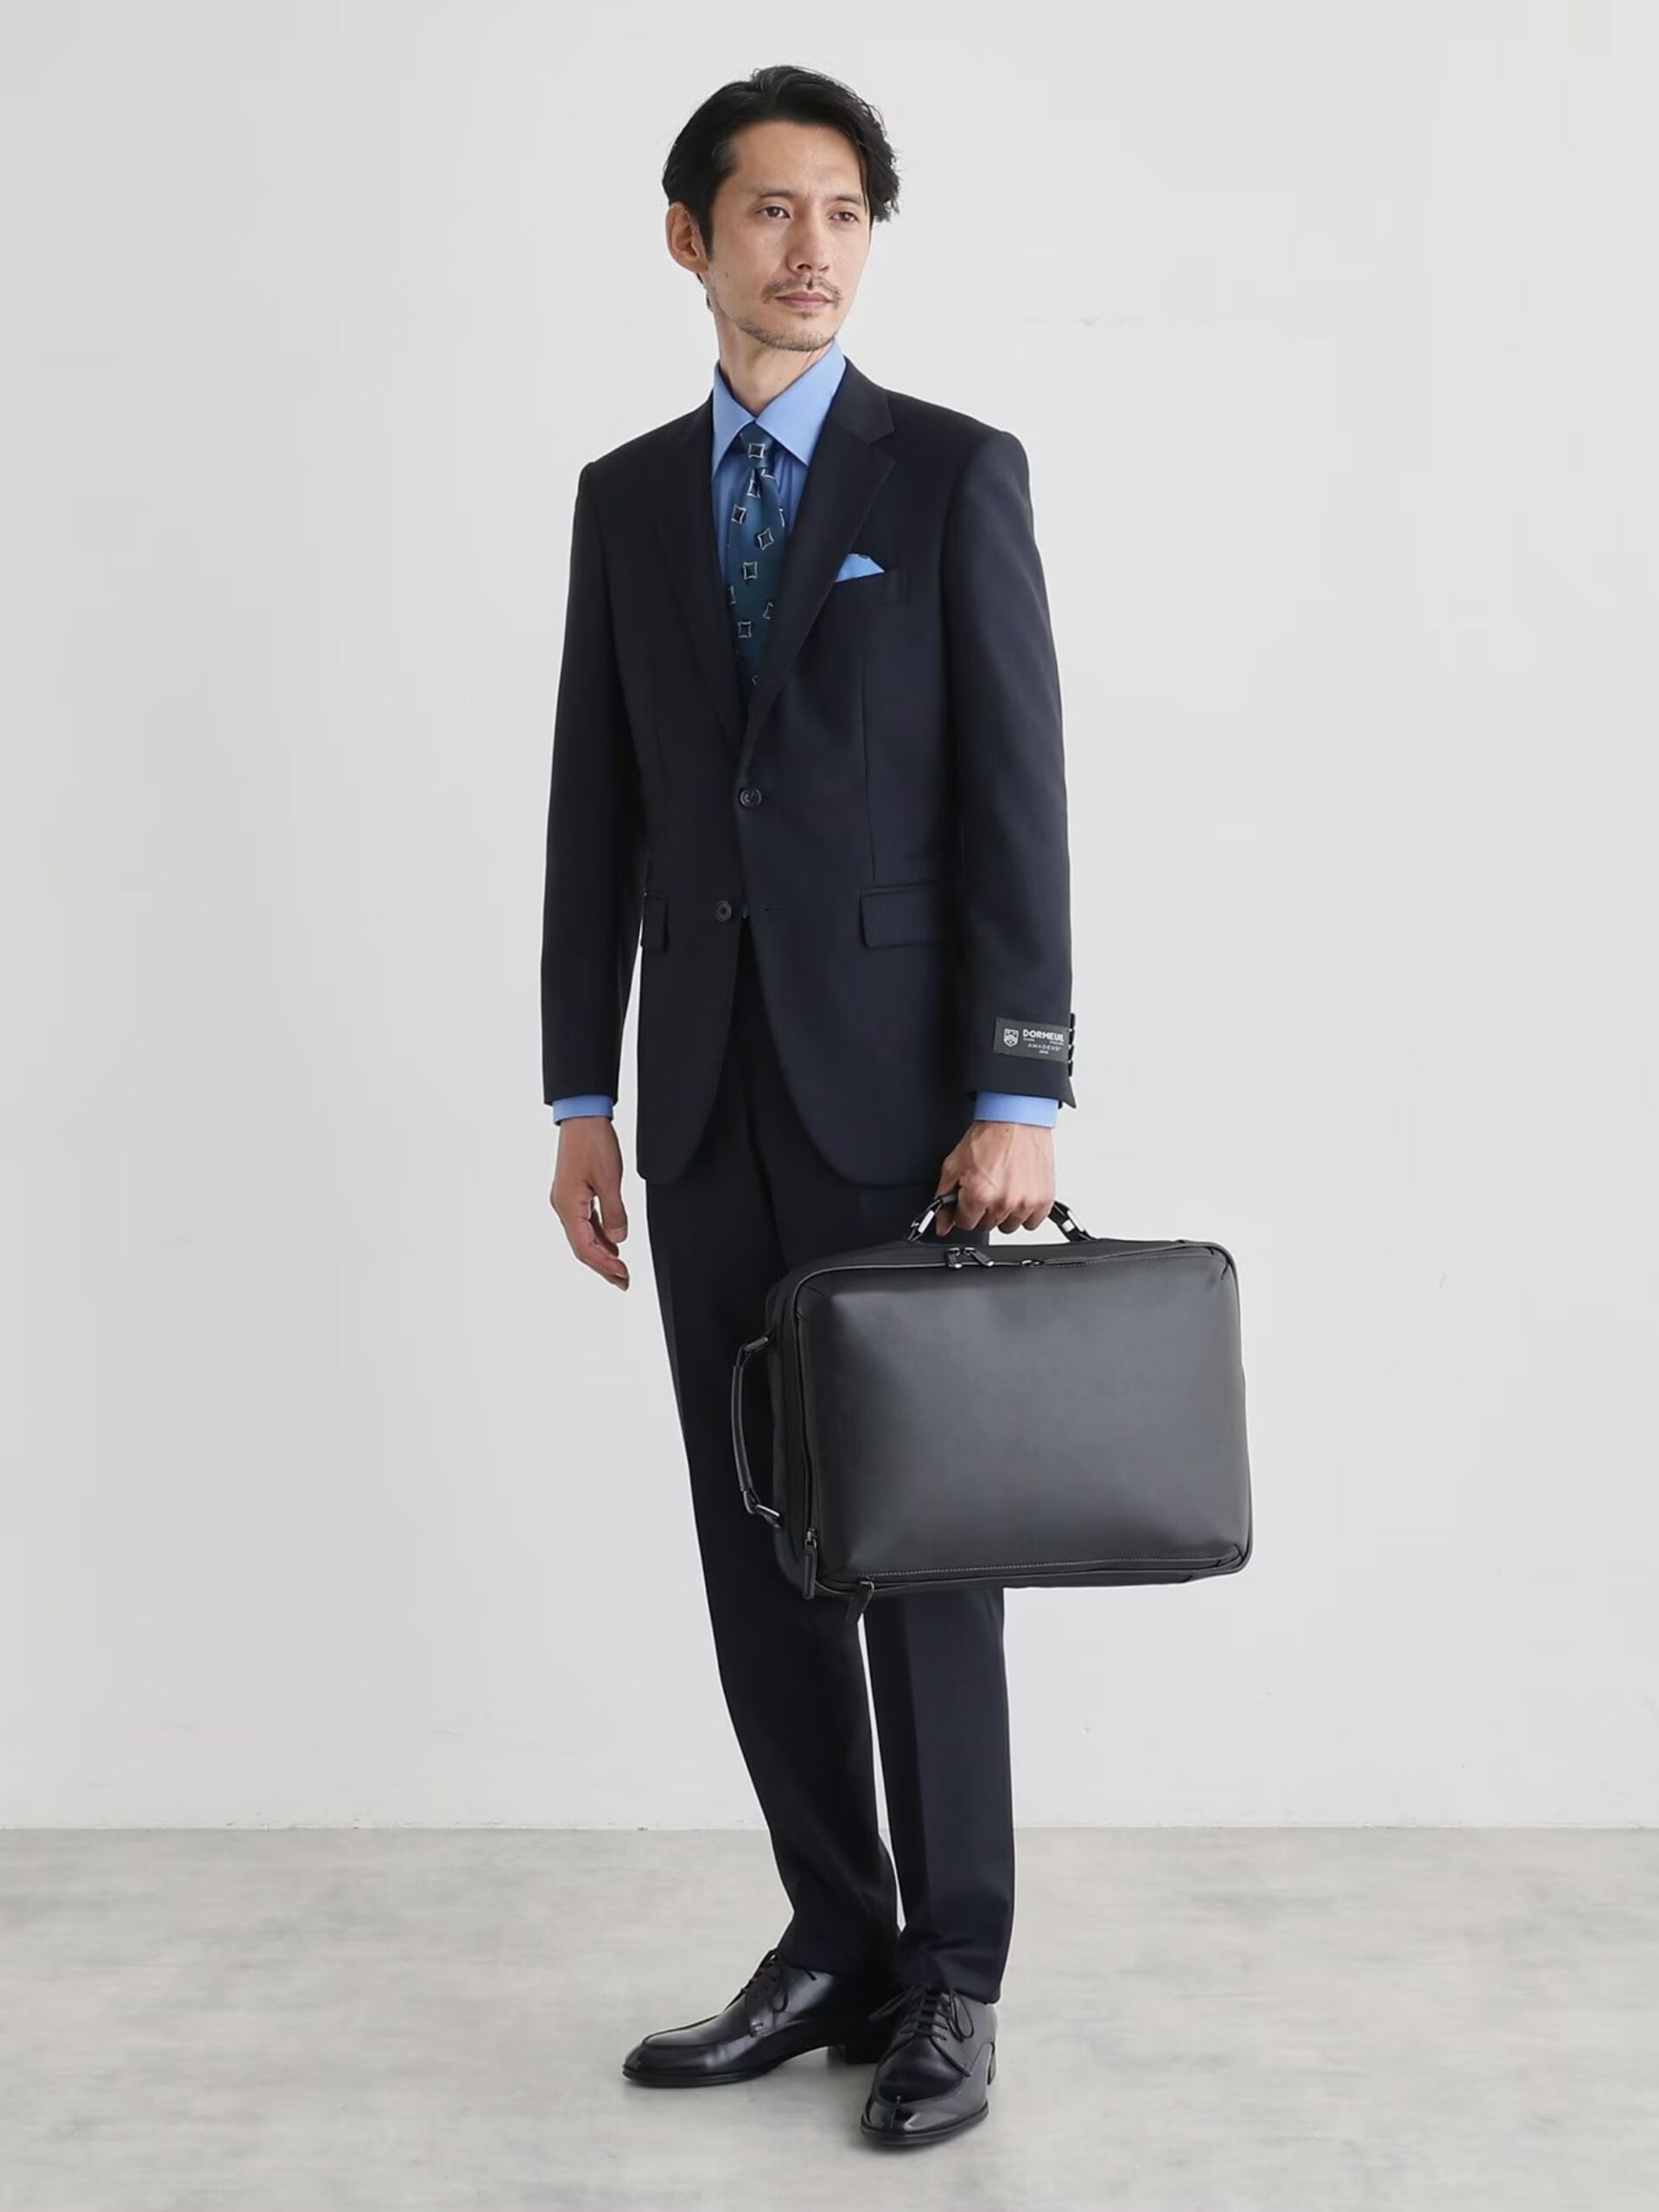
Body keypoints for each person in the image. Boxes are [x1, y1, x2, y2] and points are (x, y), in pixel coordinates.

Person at [539, 63, 1075, 2149]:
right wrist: (582, 1090)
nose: (814, 249)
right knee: (759, 1532)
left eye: (846, 212)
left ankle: (956, 1973)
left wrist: (1019, 1086)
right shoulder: (625, 502)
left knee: (925, 1544)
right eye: (773, 211)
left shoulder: (949, 477)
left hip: (907, 1113)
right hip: (700, 1110)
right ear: (692, 238)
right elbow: (594, 812)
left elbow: (1018, 796)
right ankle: (836, 1934)